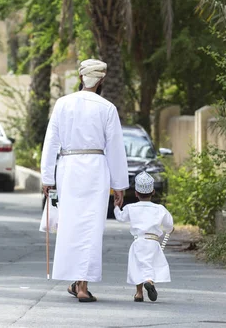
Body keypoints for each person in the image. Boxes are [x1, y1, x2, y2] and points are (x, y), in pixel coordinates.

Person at [40, 58, 129, 302]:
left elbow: (51, 141)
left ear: (81, 78)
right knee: (91, 226)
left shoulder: (62, 104)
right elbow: (115, 148)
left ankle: (77, 282)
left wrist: (47, 177)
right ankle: (81, 285)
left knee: (70, 225)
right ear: (102, 80)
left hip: (67, 169)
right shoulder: (107, 108)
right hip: (95, 171)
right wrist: (119, 185)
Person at [114, 171, 174, 302]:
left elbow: (120, 217)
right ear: (153, 192)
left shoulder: (131, 207)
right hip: (153, 241)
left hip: (139, 241)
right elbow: (169, 223)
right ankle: (150, 282)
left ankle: (139, 292)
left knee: (138, 265)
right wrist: (170, 229)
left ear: (136, 193)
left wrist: (117, 207)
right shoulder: (160, 209)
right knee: (150, 264)